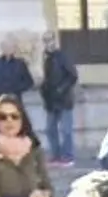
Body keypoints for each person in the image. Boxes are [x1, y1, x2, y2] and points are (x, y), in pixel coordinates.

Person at [39, 32, 78, 166]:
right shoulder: (46, 57)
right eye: (45, 40)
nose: (48, 43)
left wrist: (61, 89)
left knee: (66, 130)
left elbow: (72, 76)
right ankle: (55, 155)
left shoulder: (62, 56)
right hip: (51, 100)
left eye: (50, 40)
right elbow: (47, 78)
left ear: (55, 41)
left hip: (64, 99)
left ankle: (68, 156)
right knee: (50, 129)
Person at [0, 38, 34, 103]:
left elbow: (29, 82)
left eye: (11, 47)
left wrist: (15, 89)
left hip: (15, 100)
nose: (8, 49)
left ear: (14, 49)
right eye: (6, 46)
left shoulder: (20, 64)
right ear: (2, 48)